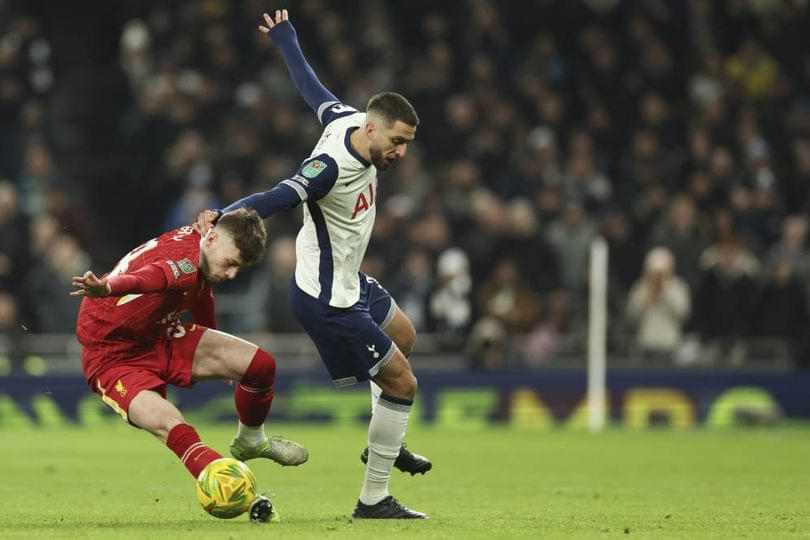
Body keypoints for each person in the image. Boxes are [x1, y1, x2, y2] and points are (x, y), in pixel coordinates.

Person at [198, 9, 429, 519]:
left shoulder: (346, 120)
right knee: (403, 384)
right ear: (372, 130)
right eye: (396, 142)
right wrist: (226, 213)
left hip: (349, 278)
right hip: (328, 298)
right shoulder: (329, 168)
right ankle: (373, 499)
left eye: (407, 144)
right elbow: (280, 196)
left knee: (405, 339)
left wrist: (286, 37)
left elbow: (311, 87)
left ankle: (383, 442)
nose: (401, 154)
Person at [72, 208, 307, 523]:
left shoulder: (203, 241)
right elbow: (151, 278)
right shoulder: (183, 262)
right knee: (172, 425)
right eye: (231, 264)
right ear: (211, 239)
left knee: (260, 365)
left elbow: (201, 294)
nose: (232, 274)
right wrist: (109, 287)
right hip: (112, 355)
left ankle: (251, 440)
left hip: (158, 333)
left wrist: (209, 339)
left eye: (239, 268)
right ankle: (243, 496)